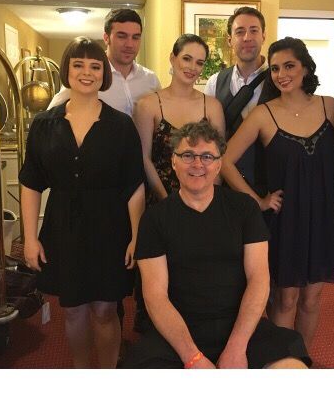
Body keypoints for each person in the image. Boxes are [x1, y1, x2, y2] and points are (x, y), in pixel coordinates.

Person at [123, 120, 310, 369]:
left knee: (293, 370)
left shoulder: (244, 208)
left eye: (207, 156)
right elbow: (155, 297)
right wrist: (193, 357)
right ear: (174, 162)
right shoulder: (154, 219)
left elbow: (258, 280)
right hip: (177, 332)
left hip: (239, 325)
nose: (197, 164)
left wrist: (237, 347)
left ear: (219, 164)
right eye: (188, 155)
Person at [19, 37, 145, 368]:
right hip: (63, 227)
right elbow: (31, 183)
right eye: (78, 65)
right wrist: (30, 238)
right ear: (67, 70)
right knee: (73, 310)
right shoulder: (44, 124)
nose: (86, 72)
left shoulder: (121, 126)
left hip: (110, 227)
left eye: (94, 66)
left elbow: (134, 185)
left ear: (104, 73)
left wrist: (136, 236)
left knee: (105, 309)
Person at [222, 37, 334, 348]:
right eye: (275, 68)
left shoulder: (330, 106)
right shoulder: (263, 114)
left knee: (312, 299)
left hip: (323, 219)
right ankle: (282, 362)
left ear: (305, 68)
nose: (281, 74)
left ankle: (301, 361)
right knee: (286, 299)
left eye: (289, 66)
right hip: (286, 221)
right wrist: (258, 201)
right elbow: (225, 162)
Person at [133, 34, 225, 201]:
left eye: (199, 63)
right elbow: (144, 158)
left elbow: (218, 158)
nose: (192, 67)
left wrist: (209, 201)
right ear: (172, 58)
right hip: (161, 199)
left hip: (204, 199)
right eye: (187, 59)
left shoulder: (213, 106)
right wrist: (167, 202)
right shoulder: (147, 105)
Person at [48, 7, 160, 116]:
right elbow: (51, 118)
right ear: (106, 38)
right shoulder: (89, 78)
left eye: (135, 37)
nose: (129, 44)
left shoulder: (151, 80)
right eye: (122, 36)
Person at [204, 6, 267, 190]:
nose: (247, 37)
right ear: (230, 40)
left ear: (263, 36)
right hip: (225, 184)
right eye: (240, 32)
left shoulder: (279, 82)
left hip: (268, 185)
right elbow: (209, 138)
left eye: (254, 30)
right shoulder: (215, 82)